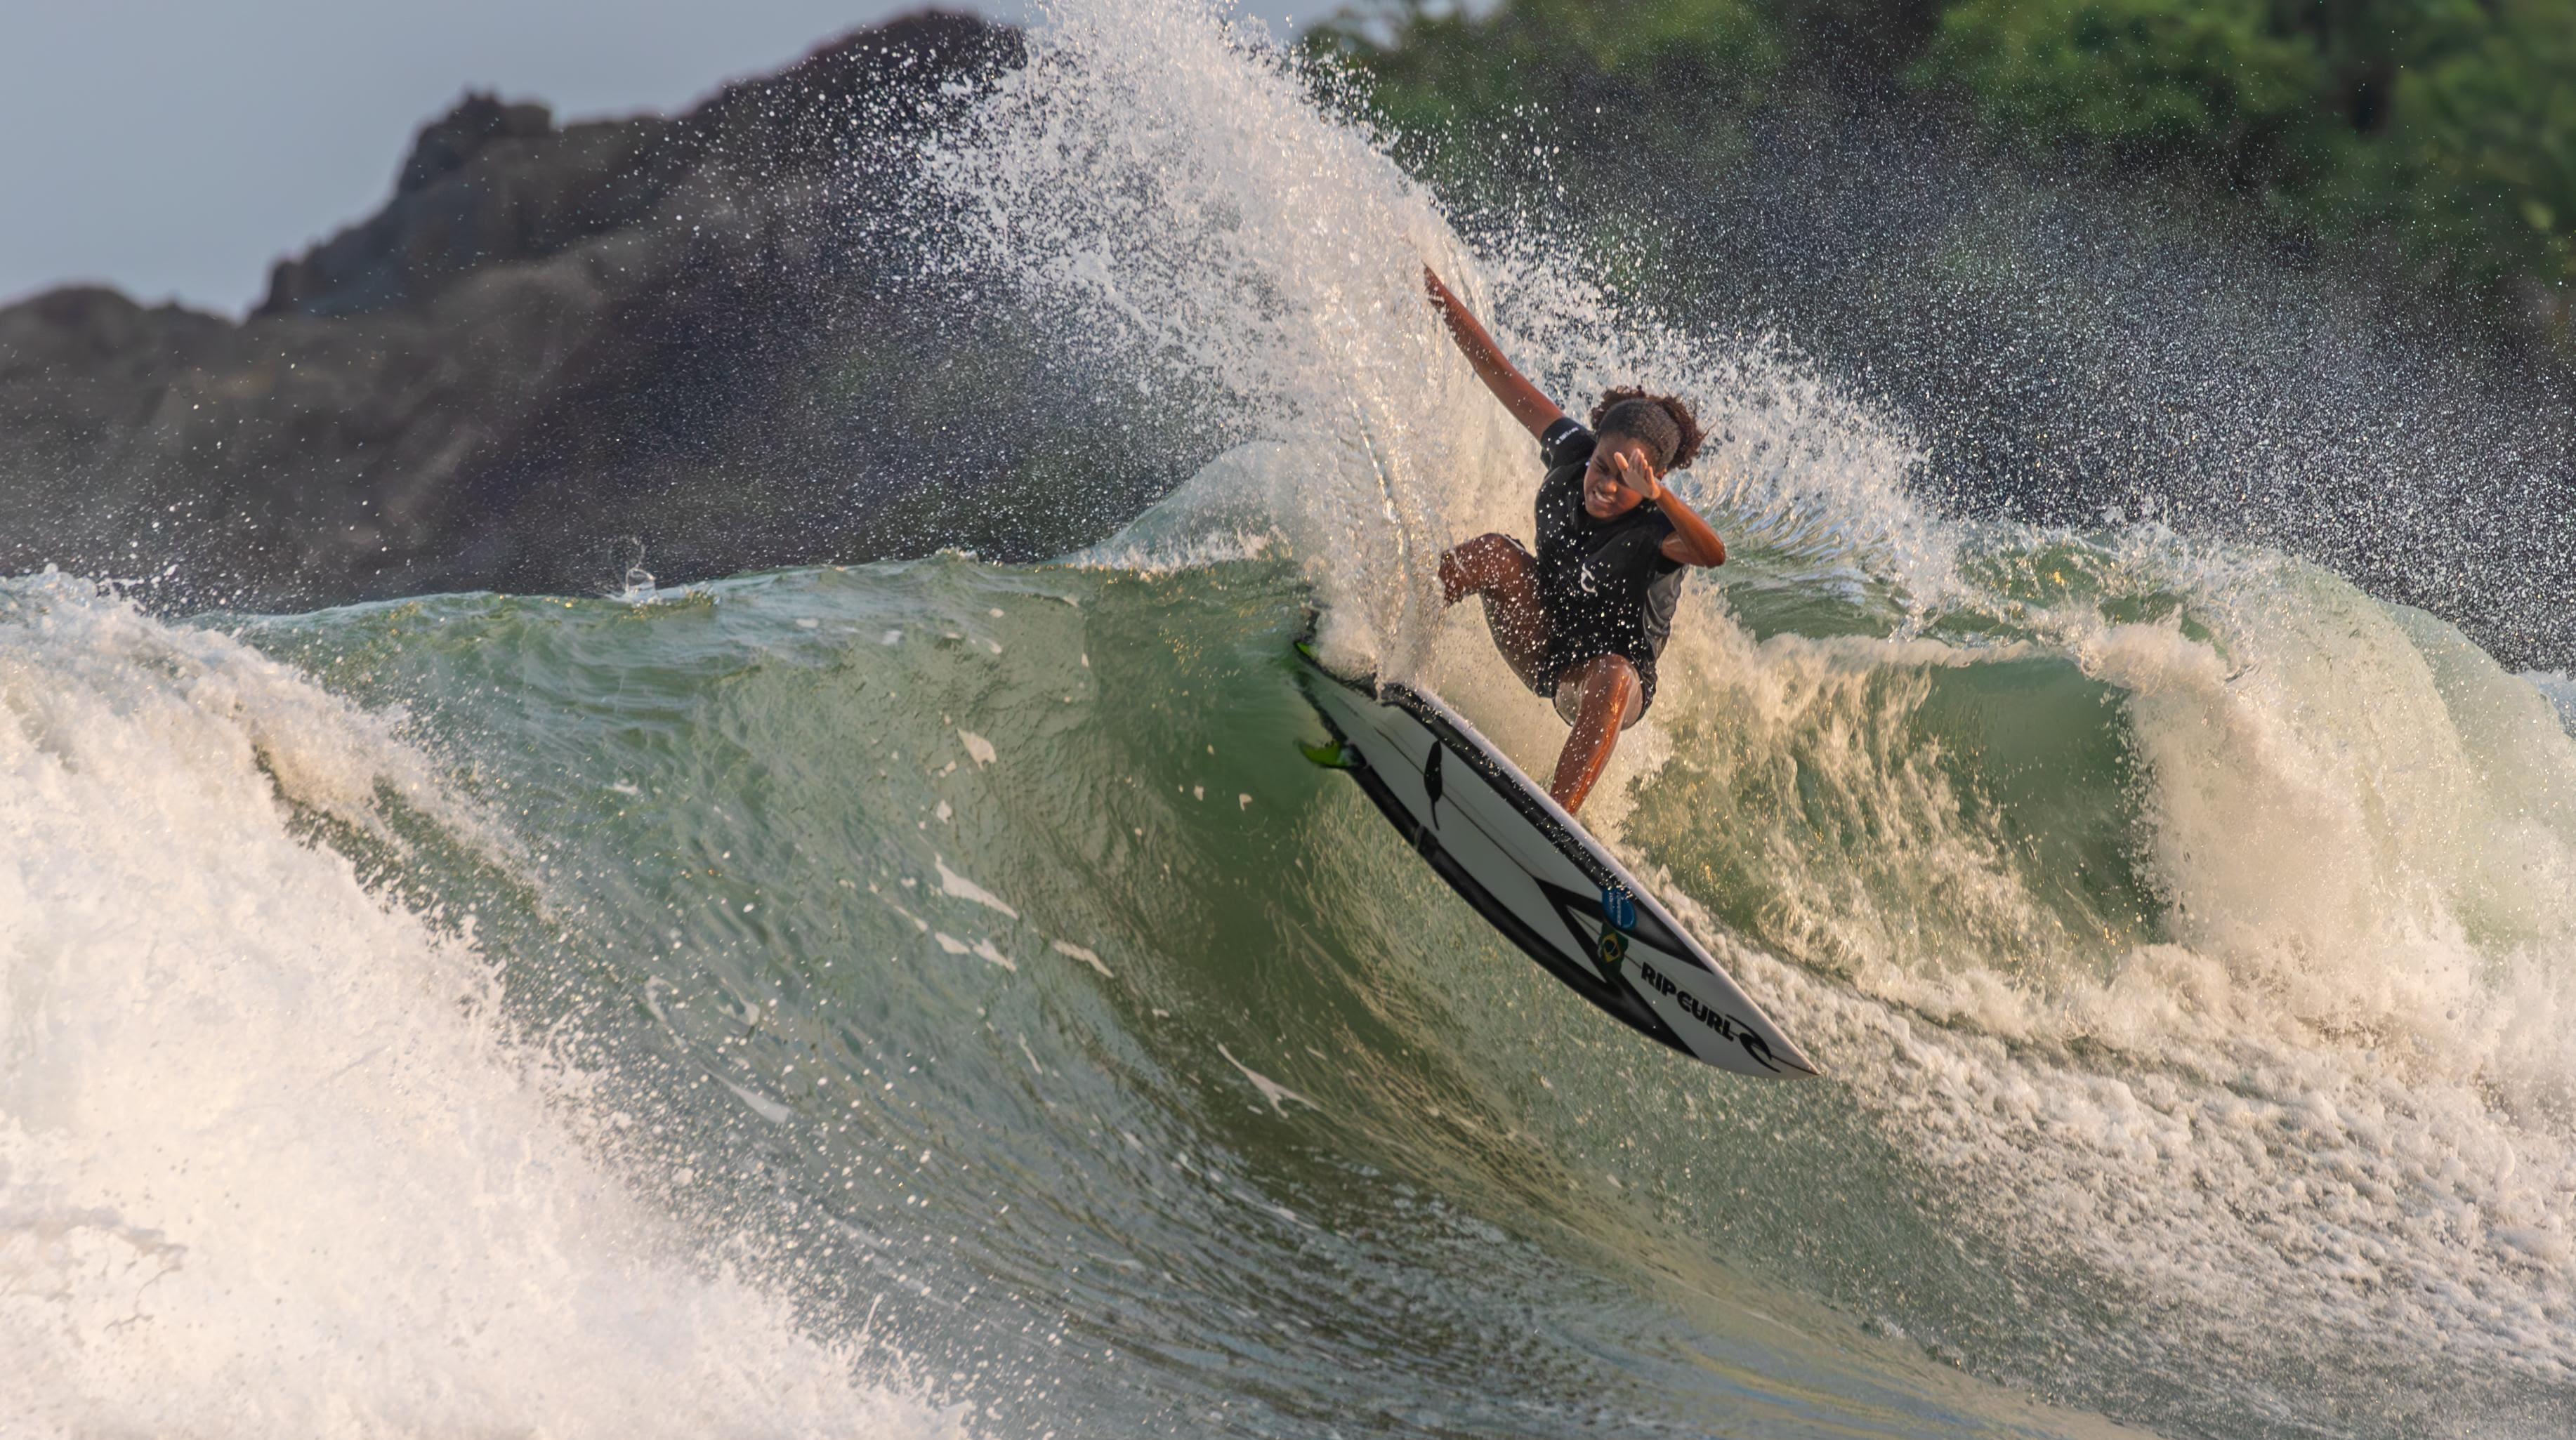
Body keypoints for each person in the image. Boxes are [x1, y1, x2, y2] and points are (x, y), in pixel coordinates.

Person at [1422, 265, 1728, 817]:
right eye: (1600, 466)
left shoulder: (1656, 530)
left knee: (1612, 673)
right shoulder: (1570, 448)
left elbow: (1714, 554)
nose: (1604, 486)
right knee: (1494, 552)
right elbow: (1496, 368)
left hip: (1602, 681)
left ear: (1648, 484)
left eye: (1623, 481)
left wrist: (1660, 498)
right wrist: (1429, 288)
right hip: (1543, 639)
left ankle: (1554, 823)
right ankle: (1392, 638)